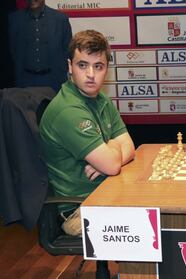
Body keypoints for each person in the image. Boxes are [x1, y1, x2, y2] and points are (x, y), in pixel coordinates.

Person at [39, 30, 135, 236]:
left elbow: (130, 147)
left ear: (106, 70)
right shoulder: (69, 110)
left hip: (104, 194)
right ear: (69, 67)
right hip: (79, 210)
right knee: (151, 225)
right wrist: (111, 157)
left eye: (98, 66)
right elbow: (112, 164)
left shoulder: (100, 100)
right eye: (82, 65)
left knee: (160, 208)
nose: (90, 74)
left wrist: (111, 155)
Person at [8, 0, 72, 92]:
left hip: (54, 81)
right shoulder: (14, 19)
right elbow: (13, 51)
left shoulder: (60, 19)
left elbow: (67, 51)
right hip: (25, 82)